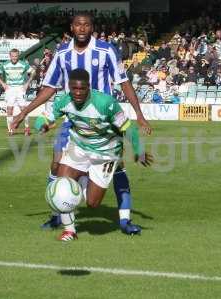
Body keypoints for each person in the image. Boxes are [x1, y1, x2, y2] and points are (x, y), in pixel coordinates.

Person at [12, 13, 151, 235]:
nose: (82, 28)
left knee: (118, 168)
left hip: (105, 121)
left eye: (86, 25)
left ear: (92, 28)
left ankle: (124, 220)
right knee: (56, 166)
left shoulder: (106, 50)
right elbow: (49, 87)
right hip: (72, 120)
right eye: (78, 24)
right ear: (72, 28)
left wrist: (139, 114)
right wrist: (24, 113)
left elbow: (123, 82)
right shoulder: (63, 53)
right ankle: (58, 214)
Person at [34, 69, 153, 241]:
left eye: (82, 89)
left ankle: (83, 178)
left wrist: (138, 151)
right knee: (62, 185)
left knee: (92, 204)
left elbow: (129, 128)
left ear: (89, 87)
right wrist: (42, 125)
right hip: (79, 148)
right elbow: (43, 118)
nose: (78, 93)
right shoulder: (64, 101)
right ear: (69, 87)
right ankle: (69, 231)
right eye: (74, 88)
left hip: (106, 153)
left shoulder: (106, 103)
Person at [0, 48, 34, 136]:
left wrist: (27, 83)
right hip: (10, 89)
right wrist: (3, 83)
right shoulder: (5, 64)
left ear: (18, 56)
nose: (14, 58)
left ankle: (27, 128)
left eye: (16, 56)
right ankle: (10, 129)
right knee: (9, 110)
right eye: (12, 56)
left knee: (24, 110)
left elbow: (33, 72)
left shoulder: (23, 64)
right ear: (10, 56)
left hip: (20, 89)